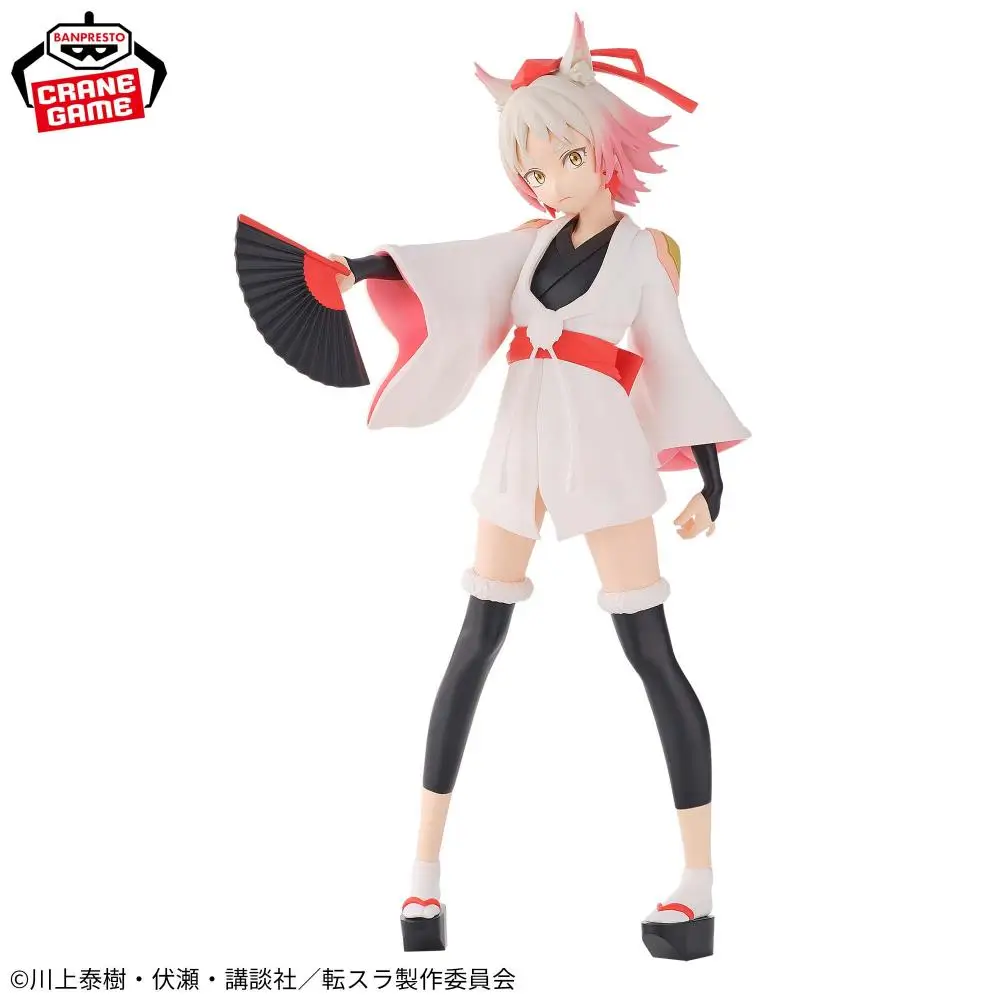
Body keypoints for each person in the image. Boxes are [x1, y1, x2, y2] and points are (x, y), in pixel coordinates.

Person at [327, 14, 750, 956]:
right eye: (535, 169)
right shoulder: (530, 241)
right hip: (518, 447)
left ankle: (698, 885)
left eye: (566, 158)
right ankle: (423, 879)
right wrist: (356, 271)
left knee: (650, 651)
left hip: (601, 454)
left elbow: (673, 359)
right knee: (475, 640)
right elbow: (447, 273)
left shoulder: (642, 252)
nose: (551, 179)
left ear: (603, 147)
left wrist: (712, 476)